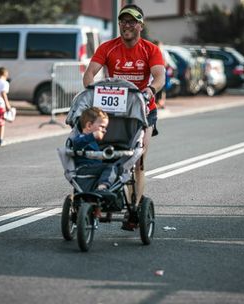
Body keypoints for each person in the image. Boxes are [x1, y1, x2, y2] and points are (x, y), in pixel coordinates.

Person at [82, 4, 165, 228]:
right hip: (113, 111)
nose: (126, 25)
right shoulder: (108, 47)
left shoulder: (150, 50)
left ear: (140, 24)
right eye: (123, 21)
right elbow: (90, 73)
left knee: (137, 158)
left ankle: (134, 209)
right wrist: (91, 89)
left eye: (131, 21)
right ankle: (101, 196)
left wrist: (151, 89)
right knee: (102, 154)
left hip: (143, 110)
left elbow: (159, 77)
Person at [72, 107, 116, 191]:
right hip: (85, 169)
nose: (105, 130)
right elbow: (77, 143)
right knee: (111, 167)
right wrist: (93, 135)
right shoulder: (82, 138)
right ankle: (103, 186)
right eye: (102, 127)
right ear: (89, 125)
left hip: (91, 169)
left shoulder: (92, 142)